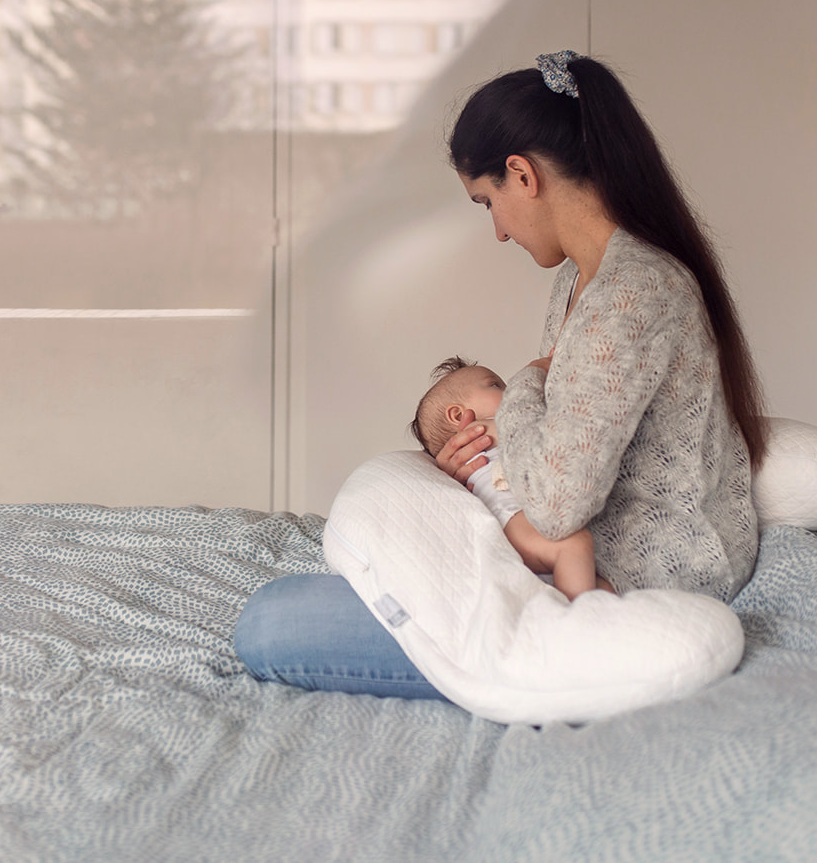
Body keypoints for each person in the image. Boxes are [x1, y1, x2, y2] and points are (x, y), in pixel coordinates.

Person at [234, 50, 765, 701]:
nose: (497, 231)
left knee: (273, 620)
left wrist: (515, 395)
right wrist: (486, 465)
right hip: (580, 550)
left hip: (638, 574)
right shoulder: (580, 277)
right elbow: (563, 442)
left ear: (522, 174)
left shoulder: (632, 293)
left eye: (488, 201)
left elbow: (557, 501)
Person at [410, 356, 608, 600]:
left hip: (516, 523)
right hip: (512, 517)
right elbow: (542, 429)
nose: (509, 390)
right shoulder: (483, 430)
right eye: (495, 385)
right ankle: (573, 621)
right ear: (458, 415)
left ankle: (580, 606)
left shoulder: (487, 436)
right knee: (574, 544)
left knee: (604, 586)